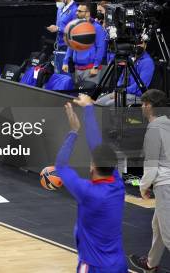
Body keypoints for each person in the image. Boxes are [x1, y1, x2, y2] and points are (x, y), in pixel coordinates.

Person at [56, 94, 127, 272]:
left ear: (93, 167)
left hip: (94, 266)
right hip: (118, 264)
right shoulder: (118, 185)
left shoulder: (87, 192)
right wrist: (88, 108)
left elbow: (61, 166)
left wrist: (74, 131)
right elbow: (96, 146)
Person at [129, 89, 170, 273]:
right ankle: (151, 264)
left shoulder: (154, 129)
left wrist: (143, 187)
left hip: (166, 185)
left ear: (150, 107)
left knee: (168, 233)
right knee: (158, 226)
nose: (143, 107)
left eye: (145, 104)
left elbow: (151, 165)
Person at [96, 41, 155, 106]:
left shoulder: (147, 62)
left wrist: (122, 91)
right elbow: (122, 77)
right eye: (136, 43)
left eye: (140, 43)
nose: (137, 45)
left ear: (145, 45)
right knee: (98, 102)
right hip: (123, 92)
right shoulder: (130, 58)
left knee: (109, 104)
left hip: (137, 96)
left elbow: (140, 85)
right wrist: (117, 90)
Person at [62, 2, 106, 85]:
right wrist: (65, 61)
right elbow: (71, 44)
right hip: (77, 68)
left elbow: (100, 48)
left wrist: (95, 66)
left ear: (87, 13)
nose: (76, 13)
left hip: (90, 69)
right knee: (78, 95)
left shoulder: (97, 28)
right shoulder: (75, 25)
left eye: (79, 11)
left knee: (87, 95)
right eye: (77, 10)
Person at [47, 0, 78, 74]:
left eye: (58, 0)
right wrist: (55, 27)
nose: (57, 2)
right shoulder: (60, 8)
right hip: (59, 46)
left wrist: (58, 29)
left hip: (68, 47)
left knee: (65, 76)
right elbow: (59, 25)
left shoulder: (75, 10)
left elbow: (74, 31)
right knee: (58, 75)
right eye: (55, 0)